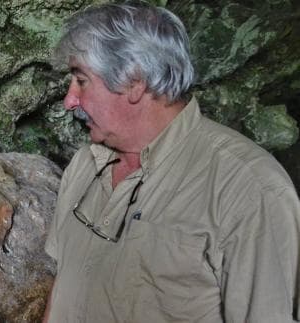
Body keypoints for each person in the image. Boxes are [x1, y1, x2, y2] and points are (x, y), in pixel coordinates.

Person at [43, 1, 300, 322]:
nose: (70, 100)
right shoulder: (84, 164)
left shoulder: (250, 189)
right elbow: (63, 284)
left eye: (81, 80)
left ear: (134, 82)